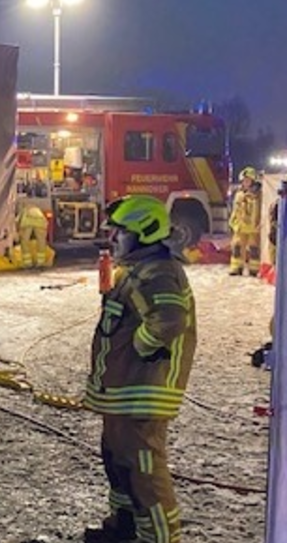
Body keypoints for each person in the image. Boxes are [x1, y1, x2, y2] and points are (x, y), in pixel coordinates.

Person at [83, 195, 196, 543]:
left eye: (120, 231)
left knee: (144, 471)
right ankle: (125, 525)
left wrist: (141, 349)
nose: (113, 238)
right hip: (124, 393)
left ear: (144, 233)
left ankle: (160, 538)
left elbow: (168, 320)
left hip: (142, 393)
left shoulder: (158, 271)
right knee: (119, 463)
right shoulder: (136, 268)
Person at [228, 166, 262, 276]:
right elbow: (235, 210)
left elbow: (260, 210)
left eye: (248, 180)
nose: (245, 183)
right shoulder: (239, 194)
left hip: (254, 227)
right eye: (244, 181)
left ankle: (254, 269)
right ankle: (236, 268)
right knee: (237, 247)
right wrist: (233, 222)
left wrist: (259, 224)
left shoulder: (258, 196)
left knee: (254, 248)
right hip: (240, 226)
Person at [17, 203, 50, 269]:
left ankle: (28, 263)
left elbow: (17, 220)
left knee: (24, 241)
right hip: (40, 222)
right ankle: (40, 262)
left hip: (27, 222)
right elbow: (45, 222)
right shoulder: (37, 210)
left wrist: (18, 231)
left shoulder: (23, 210)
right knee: (41, 242)